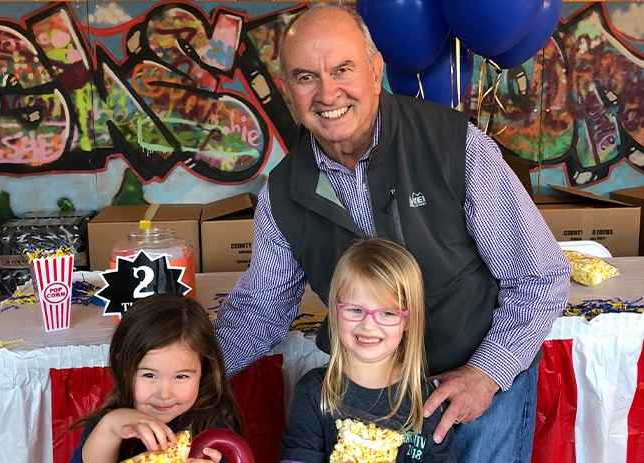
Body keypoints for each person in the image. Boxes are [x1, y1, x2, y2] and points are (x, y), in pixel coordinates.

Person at [212, 5, 571, 462]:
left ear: (375, 68)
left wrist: (487, 372)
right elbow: (259, 311)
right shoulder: (281, 193)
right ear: (286, 90)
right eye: (306, 77)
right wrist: (190, 374)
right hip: (368, 402)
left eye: (342, 69)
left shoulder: (454, 146)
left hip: (478, 379)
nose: (327, 93)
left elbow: (540, 277)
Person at [280, 238, 456, 462]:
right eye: (355, 310)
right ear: (336, 311)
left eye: (387, 313)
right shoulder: (314, 392)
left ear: (408, 320)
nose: (369, 325)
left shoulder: (428, 403)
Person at [70, 294, 243, 463]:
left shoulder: (214, 424)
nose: (165, 394)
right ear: (124, 370)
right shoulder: (107, 427)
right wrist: (110, 428)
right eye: (149, 375)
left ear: (203, 370)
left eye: (181, 376)